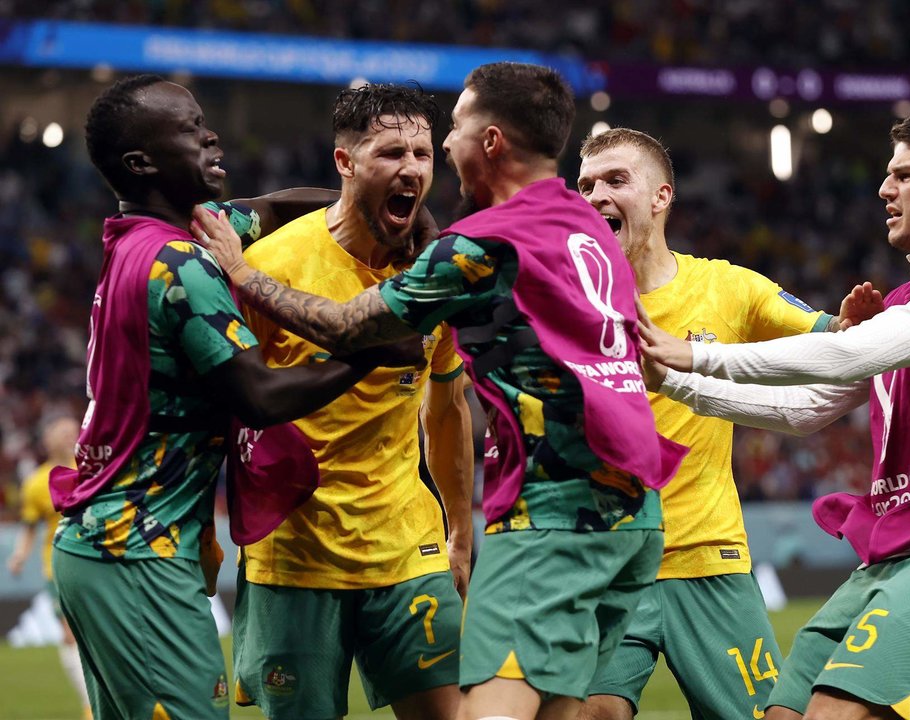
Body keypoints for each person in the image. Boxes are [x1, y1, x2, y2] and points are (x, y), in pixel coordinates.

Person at [195, 61, 685, 720]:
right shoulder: (585, 224)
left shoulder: (469, 248)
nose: (430, 160)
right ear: (345, 161)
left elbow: (364, 340)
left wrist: (234, 267)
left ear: (488, 144)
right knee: (560, 709)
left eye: (439, 139)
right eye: (393, 152)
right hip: (631, 510)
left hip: (540, 516)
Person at [639, 109, 910, 720]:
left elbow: (843, 354)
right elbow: (805, 409)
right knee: (782, 714)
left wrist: (693, 351)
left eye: (905, 174)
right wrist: (675, 382)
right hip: (898, 556)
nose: (884, 189)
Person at [53, 74, 421, 720]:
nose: (211, 133)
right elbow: (260, 394)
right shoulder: (181, 263)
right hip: (138, 548)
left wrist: (385, 210)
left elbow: (277, 206)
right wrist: (368, 353)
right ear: (142, 162)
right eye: (191, 128)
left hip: (112, 543)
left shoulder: (154, 238)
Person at [573, 127, 880, 720]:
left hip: (705, 555)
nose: (595, 196)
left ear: (661, 197)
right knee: (591, 713)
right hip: (605, 561)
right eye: (584, 185)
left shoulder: (727, 287)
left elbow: (828, 339)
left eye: (615, 180)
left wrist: (846, 326)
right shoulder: (560, 300)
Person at [230, 83, 473, 720]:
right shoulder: (271, 266)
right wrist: (206, 527)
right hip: (294, 553)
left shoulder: (433, 275)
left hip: (406, 544)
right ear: (345, 164)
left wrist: (460, 529)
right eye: (392, 152)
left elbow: (446, 410)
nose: (413, 168)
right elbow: (227, 407)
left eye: (423, 153)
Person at [7, 416, 92, 720]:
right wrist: (19, 555)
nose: (69, 436)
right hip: (56, 568)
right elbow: (30, 527)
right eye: (62, 433)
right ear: (48, 440)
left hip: (97, 563)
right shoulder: (35, 483)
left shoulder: (93, 469)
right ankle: (89, 703)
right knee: (70, 636)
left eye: (74, 431)